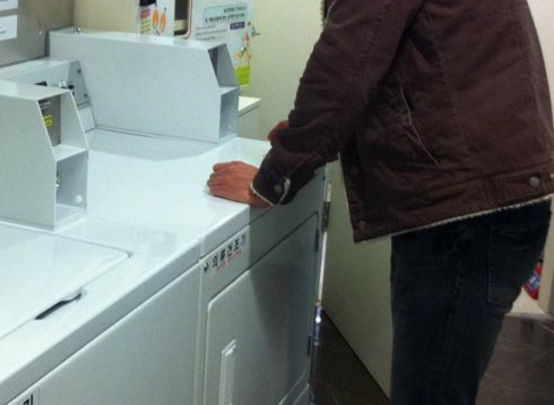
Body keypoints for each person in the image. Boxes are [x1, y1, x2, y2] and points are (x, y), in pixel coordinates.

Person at [207, 0, 553, 404]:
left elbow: (345, 64)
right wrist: (312, 140)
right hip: (482, 197)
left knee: (431, 393)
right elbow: (415, 67)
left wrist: (270, 181)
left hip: (465, 215)